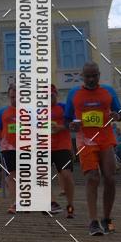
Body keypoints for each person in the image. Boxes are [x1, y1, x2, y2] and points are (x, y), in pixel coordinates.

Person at [64, 62, 121, 235]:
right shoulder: (74, 93)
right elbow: (67, 119)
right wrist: (72, 126)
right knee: (92, 177)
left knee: (110, 178)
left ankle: (107, 218)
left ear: (98, 75)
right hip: (85, 140)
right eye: (87, 76)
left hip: (106, 139)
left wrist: (117, 116)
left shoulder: (108, 91)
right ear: (82, 76)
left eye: (94, 75)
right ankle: (93, 221)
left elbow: (120, 112)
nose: (91, 79)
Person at [48, 83, 75, 219]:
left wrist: (62, 127)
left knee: (67, 175)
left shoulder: (64, 108)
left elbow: (74, 123)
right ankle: (52, 203)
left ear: (56, 95)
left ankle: (70, 205)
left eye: (51, 95)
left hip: (62, 147)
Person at [0, 84, 17, 213]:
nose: (15, 99)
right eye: (12, 97)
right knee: (12, 175)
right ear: (8, 96)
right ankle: (14, 203)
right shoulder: (3, 111)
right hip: (7, 148)